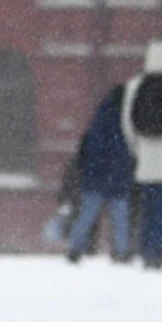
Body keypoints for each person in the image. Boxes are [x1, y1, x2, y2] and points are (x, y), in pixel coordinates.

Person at [120, 39, 162, 270]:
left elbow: (128, 124)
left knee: (148, 208)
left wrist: (137, 151)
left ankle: (146, 251)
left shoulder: (136, 86)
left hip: (147, 161)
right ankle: (157, 254)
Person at [65, 86, 134, 264]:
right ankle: (121, 251)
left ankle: (75, 247)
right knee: (120, 216)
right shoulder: (125, 121)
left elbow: (90, 150)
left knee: (87, 214)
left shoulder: (99, 119)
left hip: (96, 177)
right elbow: (123, 150)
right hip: (117, 176)